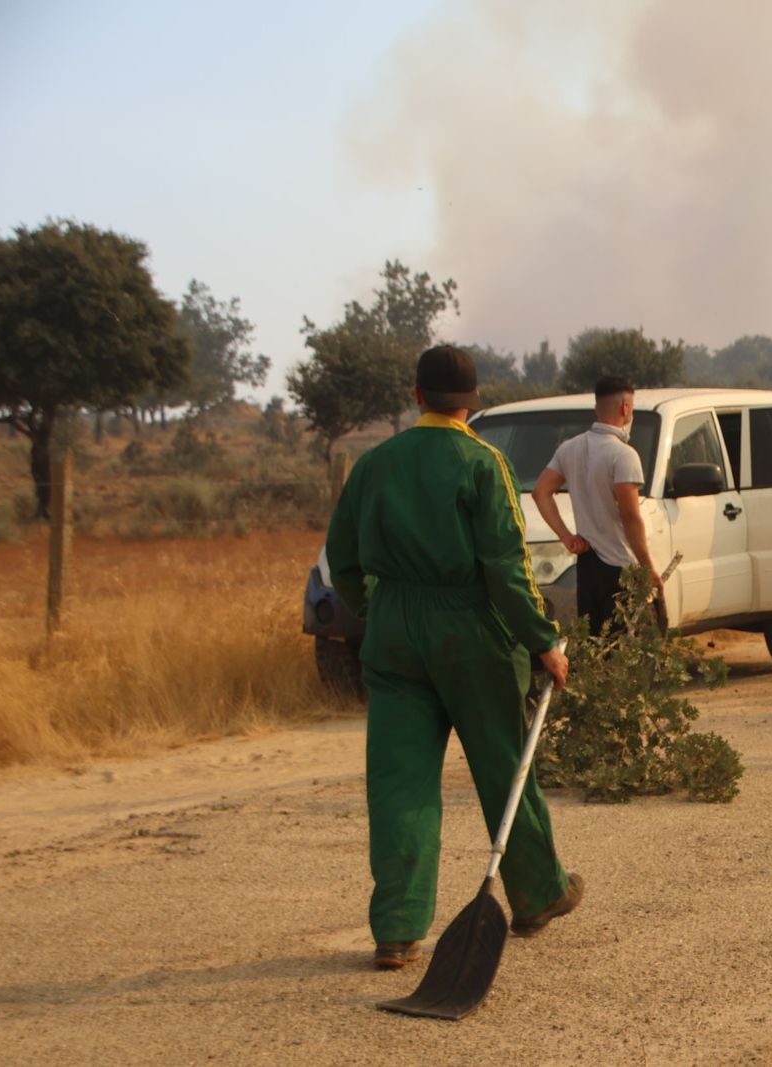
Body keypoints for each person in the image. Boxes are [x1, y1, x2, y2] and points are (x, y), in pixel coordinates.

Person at [326, 345, 579, 971]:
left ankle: (397, 928)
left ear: (416, 397)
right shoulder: (483, 461)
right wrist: (542, 638)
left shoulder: (374, 464)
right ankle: (538, 894)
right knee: (502, 764)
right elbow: (505, 568)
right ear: (473, 403)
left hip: (393, 631)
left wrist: (379, 610)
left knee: (399, 781)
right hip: (471, 632)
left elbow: (343, 559)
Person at [532, 376, 661, 638]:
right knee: (623, 649)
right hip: (619, 565)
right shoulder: (624, 455)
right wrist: (647, 566)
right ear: (625, 408)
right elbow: (630, 517)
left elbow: (540, 492)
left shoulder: (569, 448)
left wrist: (566, 537)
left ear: (596, 408)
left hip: (588, 563)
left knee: (595, 645)